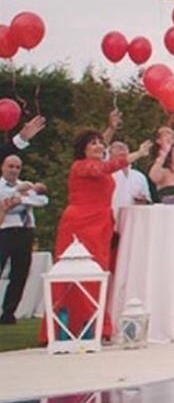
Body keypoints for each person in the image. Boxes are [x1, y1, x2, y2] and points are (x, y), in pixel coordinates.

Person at [42, 114, 126, 343]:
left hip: (100, 224)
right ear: (83, 149)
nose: (100, 145)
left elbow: (100, 156)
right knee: (79, 272)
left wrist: (109, 128)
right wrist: (133, 155)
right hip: (80, 225)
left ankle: (94, 325)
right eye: (94, 143)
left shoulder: (94, 161)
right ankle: (72, 326)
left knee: (98, 271)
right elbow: (101, 169)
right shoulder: (81, 166)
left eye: (101, 142)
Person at [0, 152, 49, 324]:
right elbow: (4, 200)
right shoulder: (3, 186)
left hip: (25, 231)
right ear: (3, 167)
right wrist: (19, 195)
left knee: (20, 273)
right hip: (5, 230)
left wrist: (21, 198)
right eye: (10, 166)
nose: (14, 170)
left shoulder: (25, 185)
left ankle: (8, 312)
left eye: (17, 167)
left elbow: (42, 200)